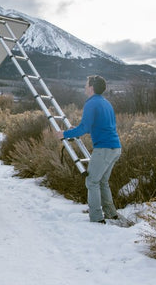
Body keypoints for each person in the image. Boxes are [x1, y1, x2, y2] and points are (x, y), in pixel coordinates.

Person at [55, 75, 121, 224]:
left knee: (91, 181)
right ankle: (111, 214)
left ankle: (97, 218)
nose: (84, 86)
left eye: (86, 84)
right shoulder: (106, 103)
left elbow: (85, 127)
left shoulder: (91, 103)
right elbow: (100, 126)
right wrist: (75, 130)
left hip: (104, 149)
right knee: (102, 181)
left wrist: (64, 134)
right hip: (115, 148)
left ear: (91, 87)